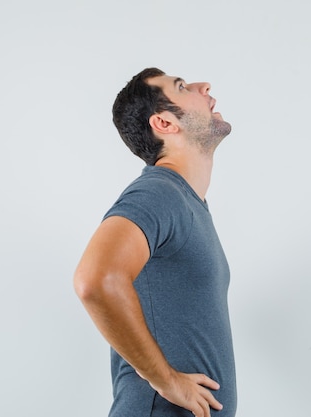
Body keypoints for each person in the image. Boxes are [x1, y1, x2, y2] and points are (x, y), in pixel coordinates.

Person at [74, 67, 237, 417]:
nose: (203, 85)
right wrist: (167, 381)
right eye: (181, 86)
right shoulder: (158, 193)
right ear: (164, 123)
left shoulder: (186, 201)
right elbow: (96, 280)